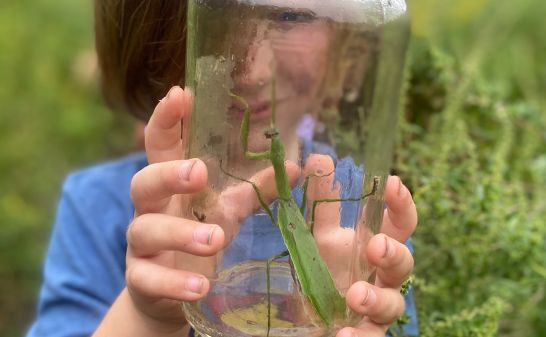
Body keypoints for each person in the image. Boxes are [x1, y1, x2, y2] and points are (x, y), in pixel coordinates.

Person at [25, 1, 419, 337]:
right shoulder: (94, 207)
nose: (254, 73)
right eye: (216, 21)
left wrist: (321, 320)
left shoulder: (361, 217)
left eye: (290, 16)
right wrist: (147, 318)